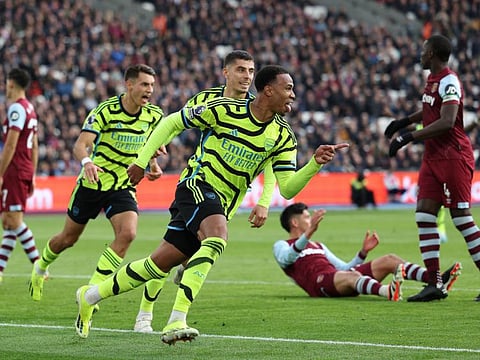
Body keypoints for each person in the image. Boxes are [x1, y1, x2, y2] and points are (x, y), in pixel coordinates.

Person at [74, 64, 350, 343]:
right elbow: (171, 122)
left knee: (158, 264)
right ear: (268, 90)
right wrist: (141, 161)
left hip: (223, 203)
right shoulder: (223, 109)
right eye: (288, 88)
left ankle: (90, 295)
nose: (292, 95)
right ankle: (176, 320)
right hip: (197, 185)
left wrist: (314, 163)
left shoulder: (283, 137)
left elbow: (288, 188)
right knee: (217, 238)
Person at [133, 50, 278, 333]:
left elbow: (272, 156)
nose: (247, 76)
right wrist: (150, 156)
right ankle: (146, 316)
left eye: (250, 71)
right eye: (240, 70)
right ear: (226, 72)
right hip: (197, 185)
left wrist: (264, 200)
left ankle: (176, 282)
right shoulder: (206, 100)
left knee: (179, 254)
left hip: (228, 197)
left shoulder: (258, 107)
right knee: (176, 253)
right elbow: (173, 124)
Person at [28, 64, 165, 301]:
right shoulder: (105, 111)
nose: (149, 90)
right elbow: (80, 145)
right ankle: (40, 266)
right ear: (129, 84)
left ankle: (90, 294)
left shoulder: (154, 115)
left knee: (128, 234)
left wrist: (152, 165)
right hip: (92, 183)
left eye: (152, 85)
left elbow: (151, 143)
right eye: (144, 84)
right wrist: (87, 163)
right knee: (68, 239)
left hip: (122, 185)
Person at [385, 34, 480, 302]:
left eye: (424, 50)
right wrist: (403, 122)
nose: (421, 54)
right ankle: (435, 283)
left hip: (453, 156)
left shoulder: (450, 81)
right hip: (433, 157)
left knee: (461, 217)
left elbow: (448, 121)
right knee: (424, 214)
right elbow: (429, 112)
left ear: (434, 54)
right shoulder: (433, 80)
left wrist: (408, 137)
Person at [273, 202, 461, 301]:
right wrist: (308, 233)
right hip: (319, 285)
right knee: (350, 278)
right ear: (294, 222)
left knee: (389, 259)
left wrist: (362, 253)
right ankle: (387, 291)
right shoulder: (281, 245)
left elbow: (345, 267)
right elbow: (287, 258)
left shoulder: (318, 245)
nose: (311, 219)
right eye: (307, 217)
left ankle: (433, 279)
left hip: (337, 277)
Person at [0, 68, 40, 284]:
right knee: (7, 222)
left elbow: (11, 144)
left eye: (6, 83)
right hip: (23, 169)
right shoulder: (30, 108)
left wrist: (0, 174)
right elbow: (35, 146)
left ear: (12, 84)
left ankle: (40, 266)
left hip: (14, 169)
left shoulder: (17, 108)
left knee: (13, 221)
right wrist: (32, 174)